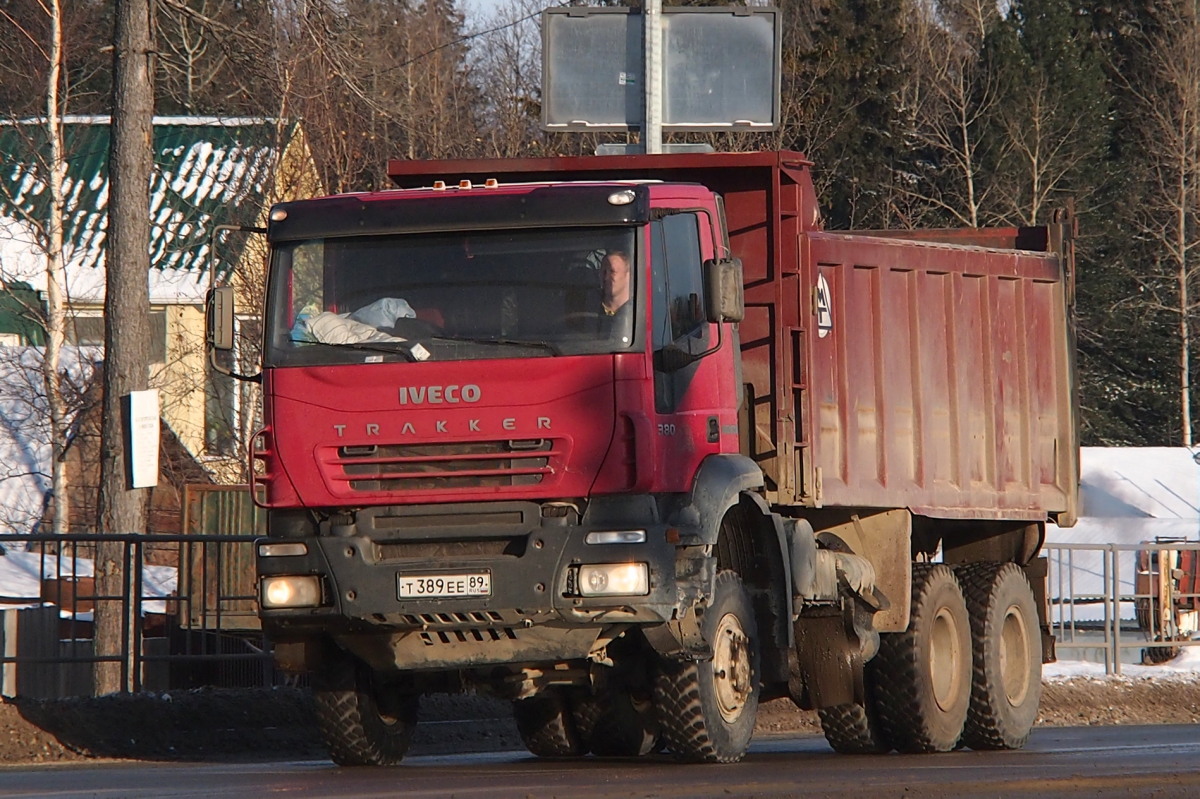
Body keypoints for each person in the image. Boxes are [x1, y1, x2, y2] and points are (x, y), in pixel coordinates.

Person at [599, 250, 634, 343]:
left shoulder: (638, 313)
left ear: (628, 275)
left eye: (612, 271)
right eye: (604, 271)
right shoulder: (587, 308)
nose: (606, 277)